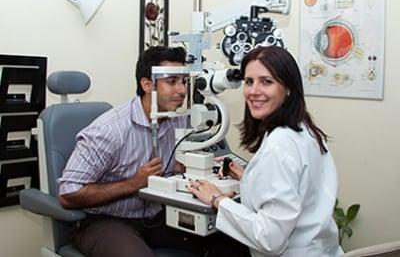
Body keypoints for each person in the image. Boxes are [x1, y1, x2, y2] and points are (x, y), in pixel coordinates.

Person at [188, 46, 344, 256]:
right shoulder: (304, 129)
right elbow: (301, 188)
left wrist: (217, 200)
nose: (253, 91)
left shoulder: (278, 146)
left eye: (266, 81)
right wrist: (250, 179)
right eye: (249, 81)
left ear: (288, 88)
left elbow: (270, 238)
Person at [58, 46, 211, 257]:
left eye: (184, 81)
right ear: (147, 84)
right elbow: (69, 194)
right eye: (172, 81)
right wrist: (134, 184)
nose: (182, 90)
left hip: (156, 217)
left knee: (225, 238)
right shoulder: (109, 130)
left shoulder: (178, 119)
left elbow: (175, 164)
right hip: (106, 222)